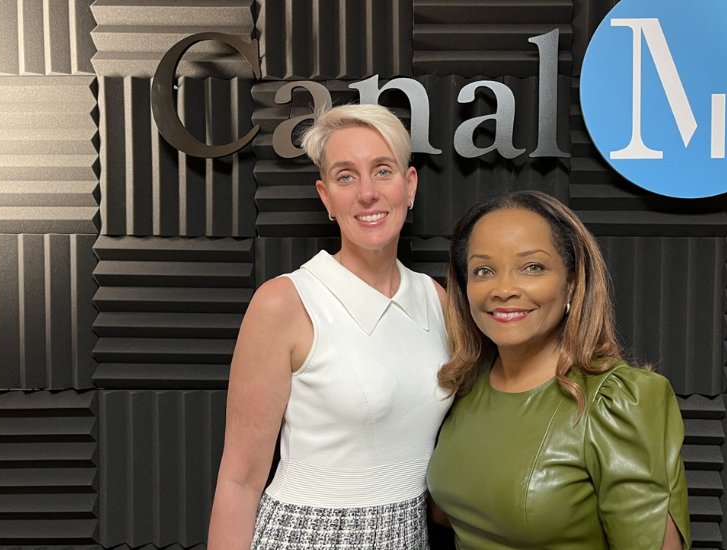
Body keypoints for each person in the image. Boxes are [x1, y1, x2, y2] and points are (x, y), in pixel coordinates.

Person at [208, 104, 452, 550]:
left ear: (409, 184)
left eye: (382, 171)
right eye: (345, 176)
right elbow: (240, 480)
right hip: (308, 536)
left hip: (408, 536)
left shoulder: (435, 300)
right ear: (326, 197)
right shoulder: (285, 302)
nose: (367, 193)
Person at [426, 191, 691, 550]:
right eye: (484, 270)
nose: (503, 289)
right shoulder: (467, 387)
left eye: (532, 267)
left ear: (572, 282)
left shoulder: (619, 400)